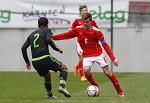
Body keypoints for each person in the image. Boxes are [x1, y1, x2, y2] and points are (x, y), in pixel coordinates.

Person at [52, 13, 124, 97]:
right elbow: (65, 35)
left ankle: (120, 91)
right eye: (83, 22)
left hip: (98, 54)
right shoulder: (78, 30)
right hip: (87, 55)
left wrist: (113, 58)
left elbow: (105, 45)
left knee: (107, 72)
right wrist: (52, 37)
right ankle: (94, 84)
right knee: (86, 70)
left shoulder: (97, 32)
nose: (85, 24)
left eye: (86, 22)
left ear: (91, 22)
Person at [21, 17, 71, 98]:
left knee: (47, 75)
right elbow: (49, 40)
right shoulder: (47, 30)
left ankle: (49, 94)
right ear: (47, 25)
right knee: (64, 68)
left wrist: (27, 62)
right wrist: (57, 49)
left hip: (35, 62)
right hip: (45, 58)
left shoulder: (32, 34)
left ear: (38, 25)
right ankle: (62, 86)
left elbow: (23, 48)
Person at [72, 5, 98, 82]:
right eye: (83, 10)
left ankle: (77, 66)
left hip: (89, 43)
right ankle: (82, 76)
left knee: (86, 57)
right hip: (80, 42)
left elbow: (96, 30)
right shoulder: (77, 21)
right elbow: (73, 30)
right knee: (81, 58)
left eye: (85, 10)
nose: (84, 11)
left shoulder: (92, 21)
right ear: (80, 12)